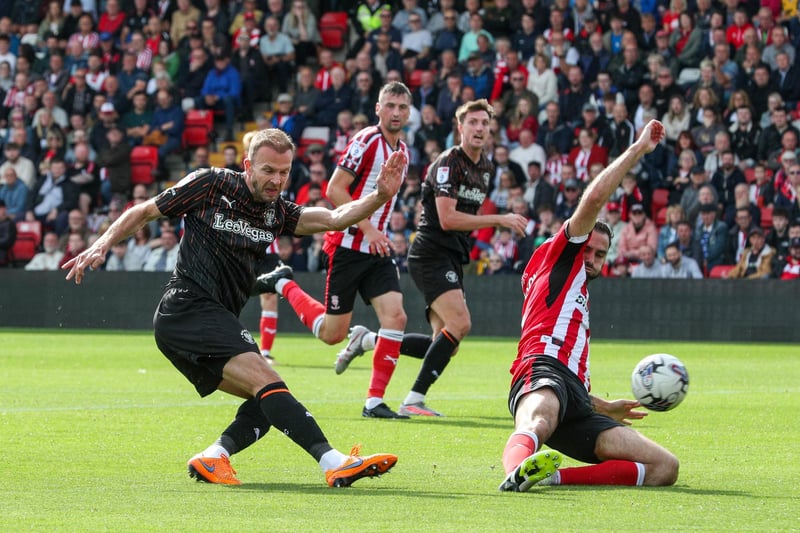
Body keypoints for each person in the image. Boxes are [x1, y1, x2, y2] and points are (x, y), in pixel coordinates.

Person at [62, 128, 401, 487]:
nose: (276, 180)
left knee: (270, 399)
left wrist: (379, 195)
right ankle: (333, 462)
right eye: (268, 170)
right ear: (248, 165)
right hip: (187, 307)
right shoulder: (211, 184)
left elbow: (334, 218)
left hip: (210, 319)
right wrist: (101, 243)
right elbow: (145, 211)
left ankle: (213, 457)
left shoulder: (277, 212)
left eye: (284, 173)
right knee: (270, 386)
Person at [498, 119, 679, 492]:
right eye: (588, 248)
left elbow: (570, 379)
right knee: (540, 418)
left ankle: (549, 475)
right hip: (540, 368)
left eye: (601, 253)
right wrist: (638, 149)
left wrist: (602, 405)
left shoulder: (567, 284)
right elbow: (594, 200)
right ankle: (515, 471)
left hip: (578, 397)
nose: (593, 257)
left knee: (665, 467)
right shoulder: (560, 256)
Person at [333, 99, 527, 417]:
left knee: (444, 340)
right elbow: (448, 219)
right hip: (430, 252)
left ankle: (369, 341)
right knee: (460, 323)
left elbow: (463, 219)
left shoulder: (487, 168)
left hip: (452, 255)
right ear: (460, 127)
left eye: (484, 123)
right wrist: (499, 219)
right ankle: (413, 399)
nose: (479, 128)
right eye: (473, 122)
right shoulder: (449, 162)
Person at [253, 82, 413, 420]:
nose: (396, 112)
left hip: (377, 248)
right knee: (331, 334)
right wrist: (367, 228)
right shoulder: (366, 141)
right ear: (378, 109)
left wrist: (377, 232)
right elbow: (334, 189)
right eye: (390, 105)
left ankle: (374, 402)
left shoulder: (403, 150)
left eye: (402, 106)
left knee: (396, 316)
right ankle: (284, 283)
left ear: (409, 111)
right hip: (347, 245)